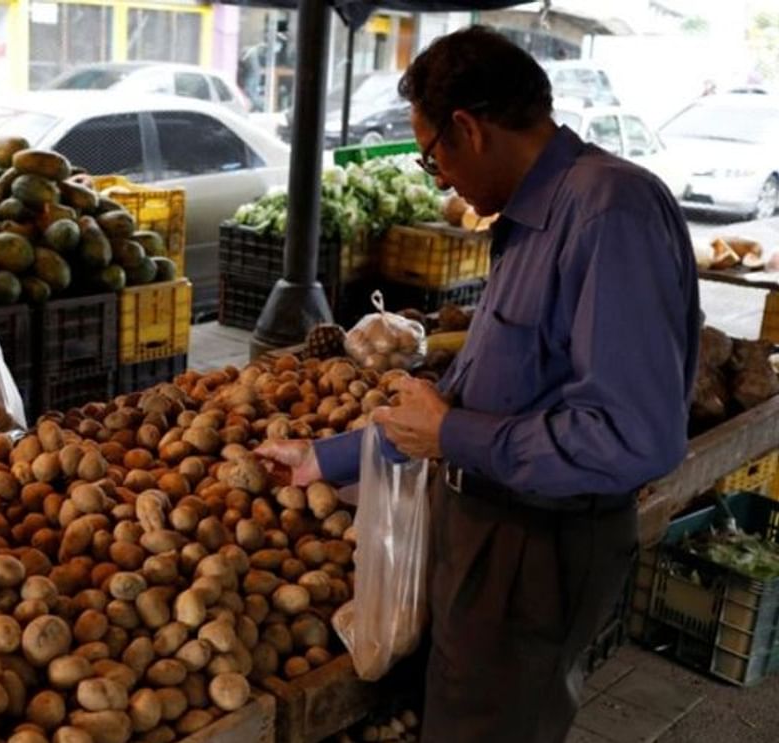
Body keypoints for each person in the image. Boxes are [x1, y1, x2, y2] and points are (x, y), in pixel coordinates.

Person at [258, 27, 699, 743]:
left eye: (433, 160)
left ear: (468, 129)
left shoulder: (607, 212)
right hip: (490, 532)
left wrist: (449, 435)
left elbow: (634, 437)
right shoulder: (533, 216)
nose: (442, 182)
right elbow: (486, 391)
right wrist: (330, 456)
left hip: (539, 547)